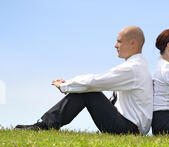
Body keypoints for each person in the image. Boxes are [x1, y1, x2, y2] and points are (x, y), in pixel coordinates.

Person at [15, 26, 153, 135]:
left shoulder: (133, 68)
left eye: (119, 41)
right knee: (88, 90)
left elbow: (94, 82)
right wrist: (70, 85)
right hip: (128, 126)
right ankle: (44, 124)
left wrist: (65, 85)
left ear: (133, 43)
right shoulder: (138, 66)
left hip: (127, 129)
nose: (115, 45)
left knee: (89, 92)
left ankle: (45, 126)